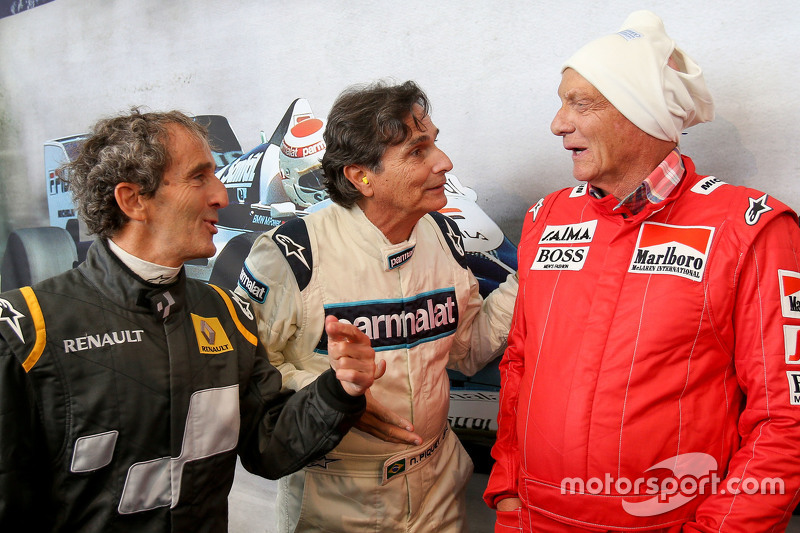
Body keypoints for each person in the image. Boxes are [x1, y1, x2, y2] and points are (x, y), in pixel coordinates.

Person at [484, 10, 800, 532]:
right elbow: (519, 366)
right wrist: (510, 496)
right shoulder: (548, 217)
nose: (557, 123)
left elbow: (785, 416)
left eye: (579, 103)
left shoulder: (753, 228)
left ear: (640, 113)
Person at [0, 109, 381, 531]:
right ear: (133, 200)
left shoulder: (226, 313)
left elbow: (270, 448)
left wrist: (339, 390)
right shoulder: (26, 332)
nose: (222, 195)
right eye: (199, 177)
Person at [236, 80, 517, 532]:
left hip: (438, 491)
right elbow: (249, 373)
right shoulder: (292, 252)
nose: (444, 163)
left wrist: (531, 281)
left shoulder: (442, 235)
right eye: (417, 152)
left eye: (435, 145)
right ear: (361, 176)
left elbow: (468, 350)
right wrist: (339, 397)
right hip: (337, 501)